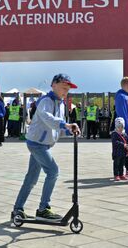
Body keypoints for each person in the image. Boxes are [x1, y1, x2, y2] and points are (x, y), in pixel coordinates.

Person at [12, 74, 80, 221]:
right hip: (37, 144)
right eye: (63, 88)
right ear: (53, 85)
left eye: (67, 89)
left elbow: (58, 126)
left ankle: (17, 209)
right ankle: (43, 208)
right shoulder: (46, 101)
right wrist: (65, 125)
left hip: (43, 144)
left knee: (31, 179)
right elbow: (48, 118)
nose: (65, 91)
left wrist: (69, 129)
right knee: (53, 171)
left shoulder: (61, 104)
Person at [115, 76, 128, 177]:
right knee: (124, 151)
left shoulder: (126, 95)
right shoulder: (122, 97)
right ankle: (121, 172)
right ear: (127, 85)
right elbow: (123, 115)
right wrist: (127, 130)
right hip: (125, 129)